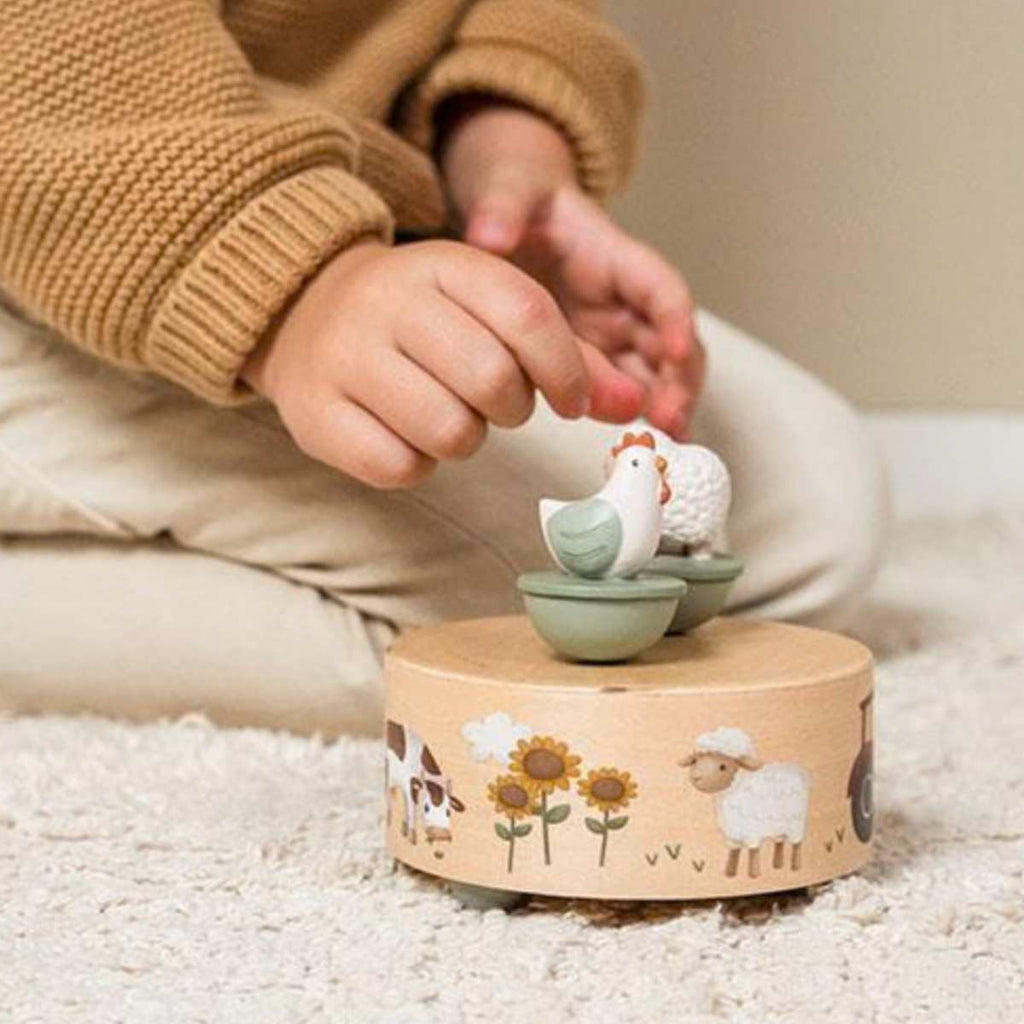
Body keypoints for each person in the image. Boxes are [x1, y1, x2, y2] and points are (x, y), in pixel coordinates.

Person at [0, 1, 888, 735]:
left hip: (328, 189)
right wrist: (289, 279)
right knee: (520, 624)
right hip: (73, 216)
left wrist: (502, 143)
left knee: (810, 506)